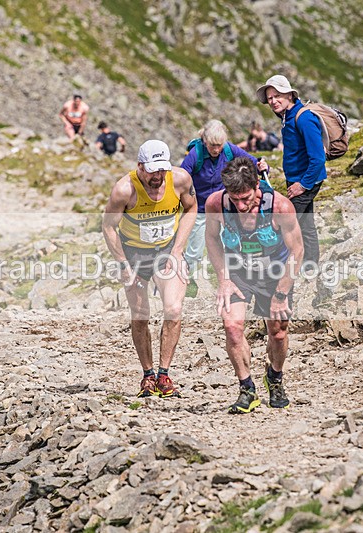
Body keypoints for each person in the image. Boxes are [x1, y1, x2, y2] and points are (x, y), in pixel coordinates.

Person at [205, 157, 303, 414]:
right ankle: (246, 389)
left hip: (274, 273)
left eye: (245, 198)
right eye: (234, 198)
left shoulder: (280, 206)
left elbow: (297, 251)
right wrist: (223, 279)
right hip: (238, 272)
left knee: (278, 332)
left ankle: (275, 378)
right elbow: (212, 240)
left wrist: (281, 294)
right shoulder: (217, 204)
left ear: (257, 186)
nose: (240, 205)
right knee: (232, 325)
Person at [102, 140, 198, 398]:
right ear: (140, 166)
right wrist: (123, 263)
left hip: (166, 250)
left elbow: (191, 209)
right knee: (140, 314)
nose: (157, 177)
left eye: (161, 171)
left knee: (174, 309)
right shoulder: (124, 190)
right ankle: (147, 374)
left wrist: (178, 250)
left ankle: (164, 374)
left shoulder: (179, 180)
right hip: (134, 253)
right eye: (152, 171)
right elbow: (109, 226)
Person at [180, 120, 268, 298]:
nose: (216, 150)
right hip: (201, 208)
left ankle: (227, 278)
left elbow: (250, 162)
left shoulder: (229, 149)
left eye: (219, 145)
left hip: (224, 207)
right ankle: (184, 279)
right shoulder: (195, 154)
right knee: (195, 249)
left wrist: (262, 166)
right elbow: (182, 175)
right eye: (212, 145)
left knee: (228, 243)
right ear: (205, 141)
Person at [257, 75, 325, 268]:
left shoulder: (303, 118)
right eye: (270, 98)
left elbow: (318, 158)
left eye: (277, 95)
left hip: (306, 181)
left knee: (283, 221)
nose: (273, 101)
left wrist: (302, 186)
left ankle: (284, 266)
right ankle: (310, 266)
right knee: (306, 224)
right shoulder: (287, 117)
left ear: (289, 95)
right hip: (298, 179)